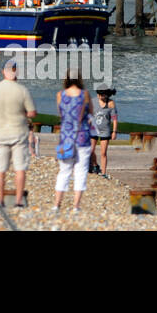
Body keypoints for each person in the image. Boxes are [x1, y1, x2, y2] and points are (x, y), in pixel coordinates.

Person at [0, 58, 36, 208]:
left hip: (0, 132)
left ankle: (0, 200)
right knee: (20, 168)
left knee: (0, 169)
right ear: (16, 72)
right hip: (18, 132)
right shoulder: (22, 90)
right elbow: (32, 112)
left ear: (2, 72)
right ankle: (19, 201)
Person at [53, 76, 93, 212]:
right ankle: (76, 206)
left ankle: (57, 205)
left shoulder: (60, 95)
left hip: (66, 137)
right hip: (82, 137)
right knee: (80, 171)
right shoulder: (85, 94)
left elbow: (61, 114)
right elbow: (91, 114)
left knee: (64, 171)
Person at [92, 88, 118, 175]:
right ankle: (95, 165)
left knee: (103, 153)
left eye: (101, 95)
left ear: (106, 95)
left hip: (105, 131)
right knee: (91, 150)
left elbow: (114, 118)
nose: (99, 96)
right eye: (98, 94)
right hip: (93, 129)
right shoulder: (93, 101)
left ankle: (103, 173)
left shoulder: (111, 103)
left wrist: (114, 131)